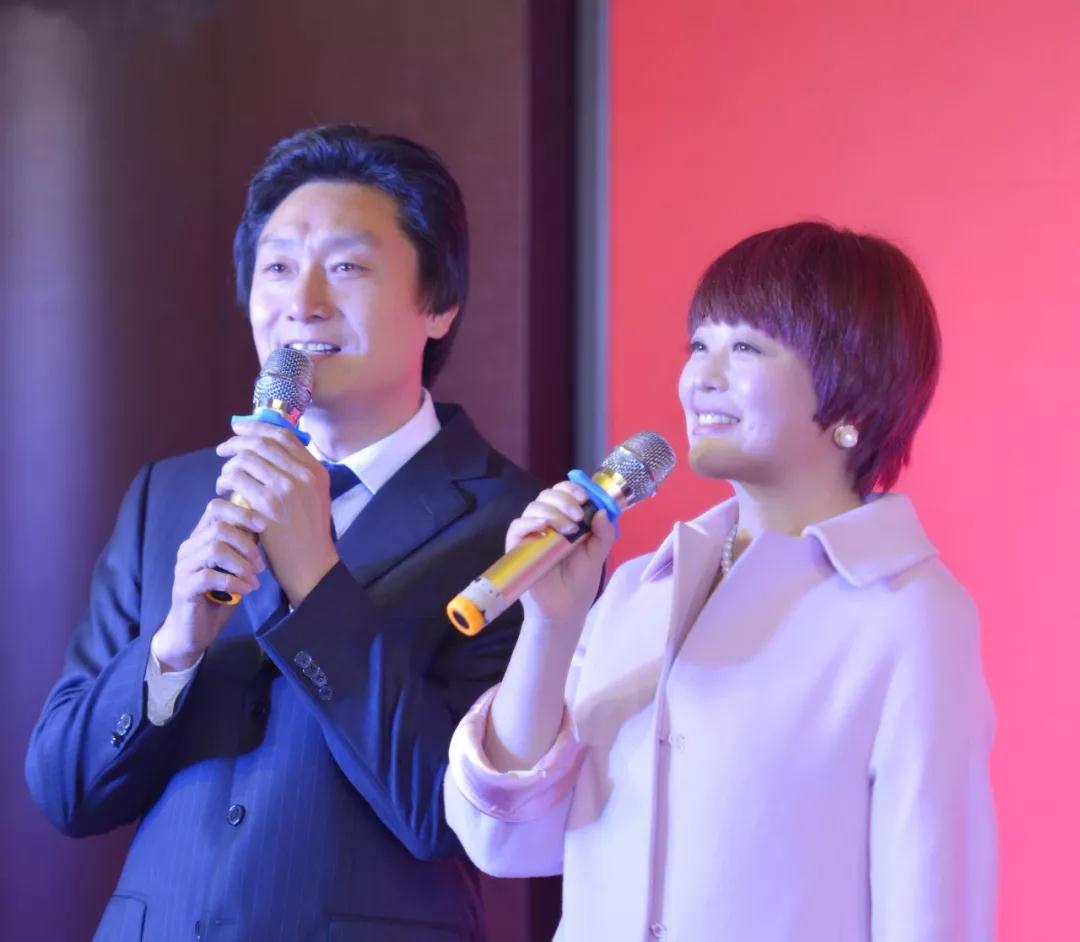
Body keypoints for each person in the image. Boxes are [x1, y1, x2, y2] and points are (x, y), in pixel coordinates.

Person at [26, 124, 538, 941]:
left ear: (440, 304)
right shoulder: (171, 495)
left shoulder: (521, 527)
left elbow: (446, 816)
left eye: (347, 267)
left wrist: (316, 583)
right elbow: (65, 791)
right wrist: (172, 649)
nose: (302, 302)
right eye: (277, 267)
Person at [445, 221, 997, 941]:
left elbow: (931, 906)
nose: (700, 378)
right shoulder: (637, 591)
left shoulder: (906, 612)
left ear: (854, 396)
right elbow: (505, 841)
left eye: (745, 348)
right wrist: (552, 625)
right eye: (699, 345)